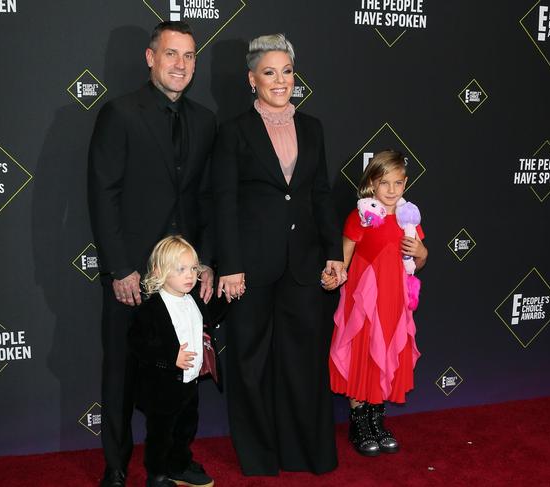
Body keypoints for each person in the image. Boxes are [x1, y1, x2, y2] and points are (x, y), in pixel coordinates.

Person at [87, 21, 216, 487]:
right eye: (171, 54)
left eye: (189, 56)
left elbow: (205, 198)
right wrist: (120, 267)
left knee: (183, 371)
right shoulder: (120, 113)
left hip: (184, 275)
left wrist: (204, 262)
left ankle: (173, 459)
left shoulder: (204, 120)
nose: (180, 64)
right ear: (150, 57)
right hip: (135, 273)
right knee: (123, 371)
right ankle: (117, 466)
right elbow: (104, 194)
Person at [211, 33, 346, 475]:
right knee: (250, 363)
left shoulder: (313, 127)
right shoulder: (233, 131)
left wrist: (332, 252)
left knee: (303, 362)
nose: (280, 80)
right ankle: (259, 458)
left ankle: (305, 453)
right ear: (252, 79)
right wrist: (229, 265)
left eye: (286, 71)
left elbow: (320, 195)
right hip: (250, 267)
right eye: (269, 72)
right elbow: (224, 200)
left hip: (304, 264)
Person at [326, 150, 428, 456]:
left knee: (385, 353)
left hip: (393, 301)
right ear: (372, 183)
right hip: (362, 300)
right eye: (385, 183)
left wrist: (421, 253)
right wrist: (333, 275)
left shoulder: (409, 219)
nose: (392, 190)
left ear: (406, 183)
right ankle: (359, 422)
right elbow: (342, 259)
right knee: (363, 353)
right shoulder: (360, 217)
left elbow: (418, 260)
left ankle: (376, 418)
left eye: (398, 183)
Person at [128, 236, 220, 487]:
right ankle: (157, 475)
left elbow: (208, 325)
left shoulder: (194, 300)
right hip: (162, 386)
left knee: (186, 428)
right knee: (161, 434)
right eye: (181, 269)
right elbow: (137, 344)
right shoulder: (151, 308)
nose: (190, 275)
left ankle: (179, 466)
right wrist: (170, 357)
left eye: (193, 268)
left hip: (189, 382)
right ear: (159, 271)